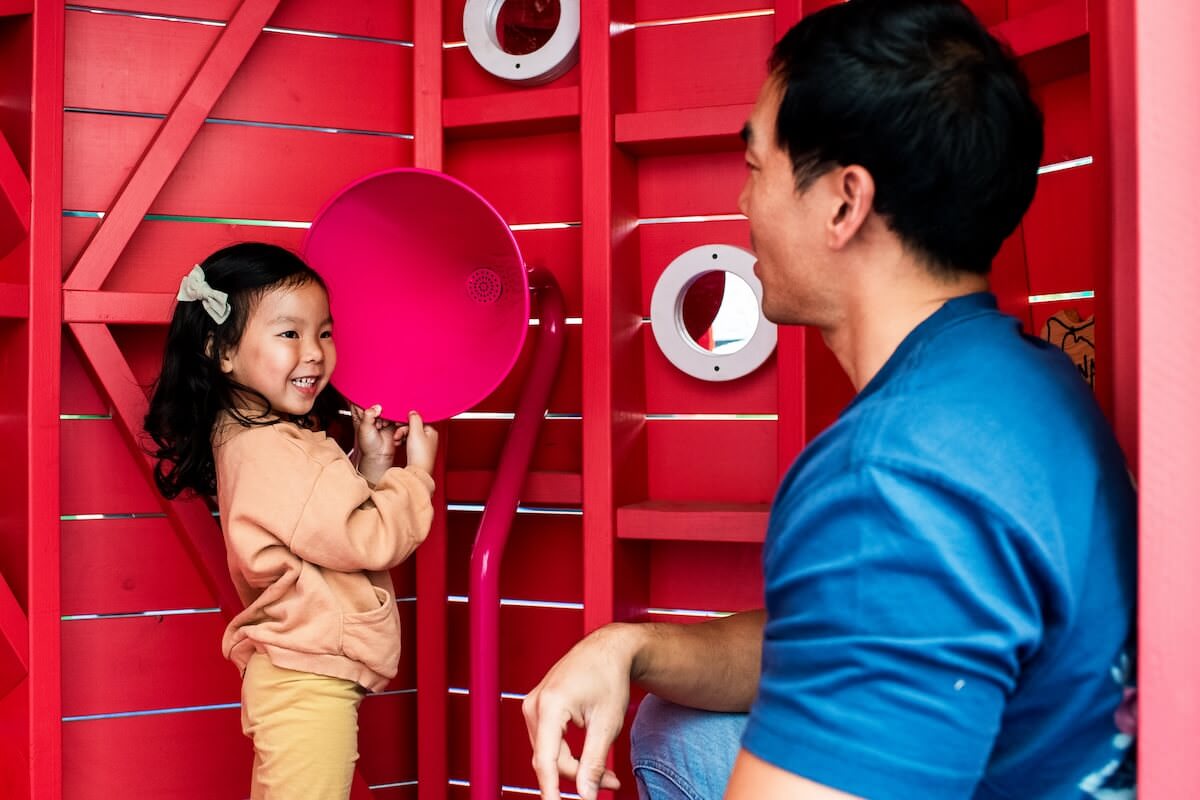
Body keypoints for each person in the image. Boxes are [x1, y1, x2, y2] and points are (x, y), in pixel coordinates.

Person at [522, 1, 1137, 799]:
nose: (743, 206)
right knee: (677, 726)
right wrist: (632, 646)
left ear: (845, 203)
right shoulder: (1019, 378)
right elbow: (856, 632)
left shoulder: (888, 476)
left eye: (754, 168)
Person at [144, 242, 439, 799]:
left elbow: (321, 528)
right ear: (222, 352)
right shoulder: (275, 450)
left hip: (297, 676)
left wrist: (373, 465)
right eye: (289, 334)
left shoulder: (252, 439)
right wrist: (416, 476)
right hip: (306, 684)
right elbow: (365, 538)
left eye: (323, 333)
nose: (314, 353)